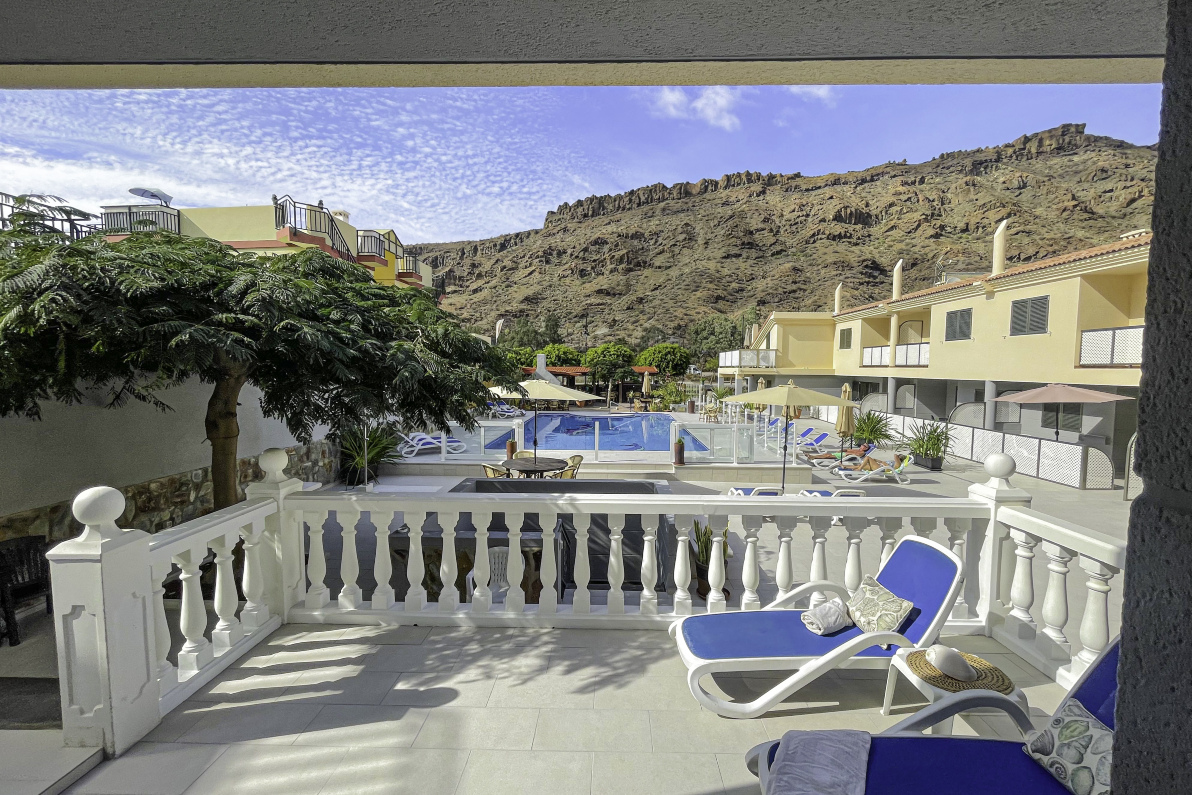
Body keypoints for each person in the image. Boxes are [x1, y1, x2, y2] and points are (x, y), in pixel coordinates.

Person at [837, 452, 909, 472]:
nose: (898, 456)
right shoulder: (895, 462)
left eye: (899, 456)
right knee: (860, 465)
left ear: (900, 459)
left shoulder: (898, 464)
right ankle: (844, 466)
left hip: (881, 468)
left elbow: (895, 455)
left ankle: (859, 469)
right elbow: (883, 461)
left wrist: (898, 456)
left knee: (867, 458)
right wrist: (876, 460)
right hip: (879, 466)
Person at [806, 441, 874, 461]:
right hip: (844, 454)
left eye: (864, 446)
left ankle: (813, 457)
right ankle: (813, 456)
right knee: (827, 455)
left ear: (866, 448)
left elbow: (857, 455)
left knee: (828, 455)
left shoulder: (862, 452)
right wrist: (841, 450)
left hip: (845, 456)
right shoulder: (856, 450)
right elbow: (847, 449)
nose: (862, 445)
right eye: (862, 444)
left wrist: (847, 454)